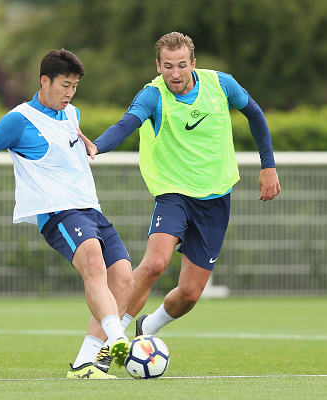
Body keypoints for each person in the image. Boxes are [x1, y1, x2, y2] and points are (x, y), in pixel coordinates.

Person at [80, 32, 281, 351]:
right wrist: (96, 146)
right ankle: (110, 339)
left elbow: (255, 114)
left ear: (193, 64)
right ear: (158, 66)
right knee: (155, 263)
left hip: (215, 199)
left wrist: (268, 166)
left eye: (182, 65)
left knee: (189, 294)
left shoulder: (220, 84)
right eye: (168, 66)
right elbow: (124, 126)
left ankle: (149, 325)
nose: (175, 73)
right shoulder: (152, 95)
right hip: (173, 195)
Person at [0, 49, 134, 379]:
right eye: (64, 84)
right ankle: (118, 340)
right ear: (44, 81)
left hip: (91, 208)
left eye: (75, 86)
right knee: (93, 262)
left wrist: (91, 146)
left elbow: (70, 149)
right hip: (57, 213)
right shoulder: (19, 120)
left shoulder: (72, 113)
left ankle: (84, 364)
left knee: (123, 280)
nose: (69, 93)